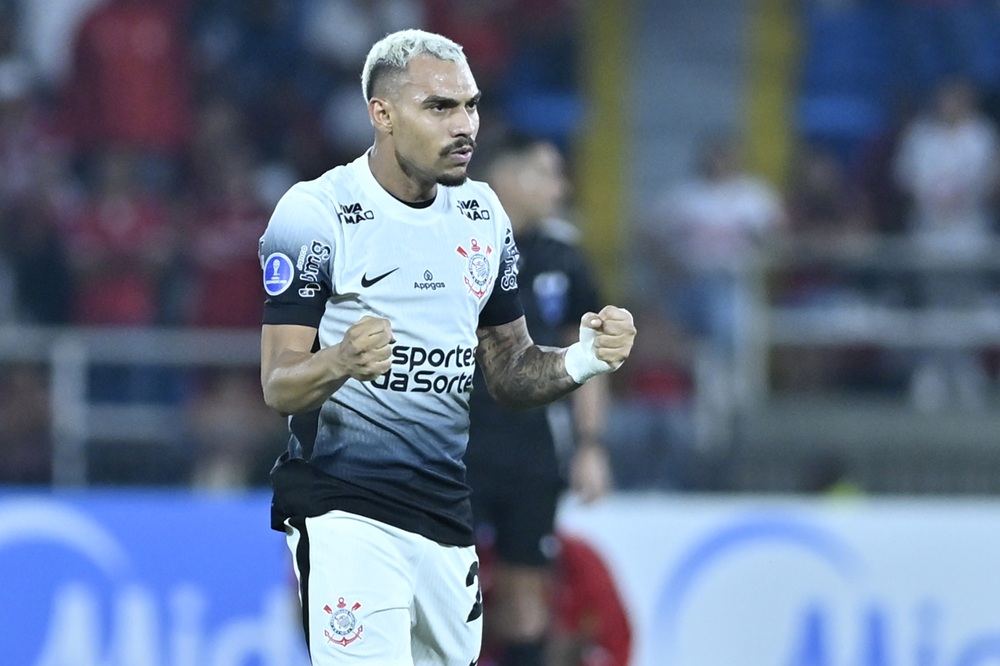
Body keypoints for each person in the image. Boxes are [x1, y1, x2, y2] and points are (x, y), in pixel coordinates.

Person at [256, 29, 637, 666]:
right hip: (346, 510)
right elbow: (279, 383)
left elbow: (510, 372)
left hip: (444, 517)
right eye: (440, 107)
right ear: (382, 114)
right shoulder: (314, 214)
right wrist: (341, 360)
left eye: (471, 105)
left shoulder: (481, 216)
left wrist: (586, 358)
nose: (465, 125)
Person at [463, 135, 613, 666]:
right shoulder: (447, 240)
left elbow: (588, 356)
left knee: (527, 602)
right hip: (454, 443)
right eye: (548, 174)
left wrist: (591, 445)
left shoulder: (564, 259)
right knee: (437, 589)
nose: (560, 187)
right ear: (508, 178)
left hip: (531, 448)